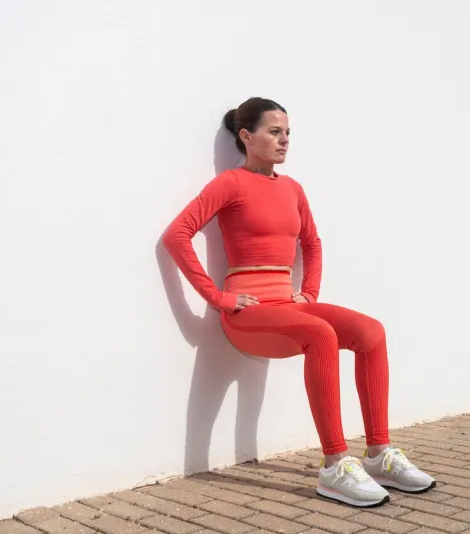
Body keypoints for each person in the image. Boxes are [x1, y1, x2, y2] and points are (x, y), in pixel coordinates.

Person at [162, 97, 435, 508]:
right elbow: (176, 235)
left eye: (288, 133)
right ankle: (334, 467)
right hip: (248, 313)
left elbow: (312, 242)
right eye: (274, 132)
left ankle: (379, 454)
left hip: (289, 308)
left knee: (371, 332)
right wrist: (217, 298)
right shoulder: (230, 184)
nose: (284, 140)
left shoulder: (293, 189)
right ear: (245, 136)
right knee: (320, 333)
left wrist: (309, 292)